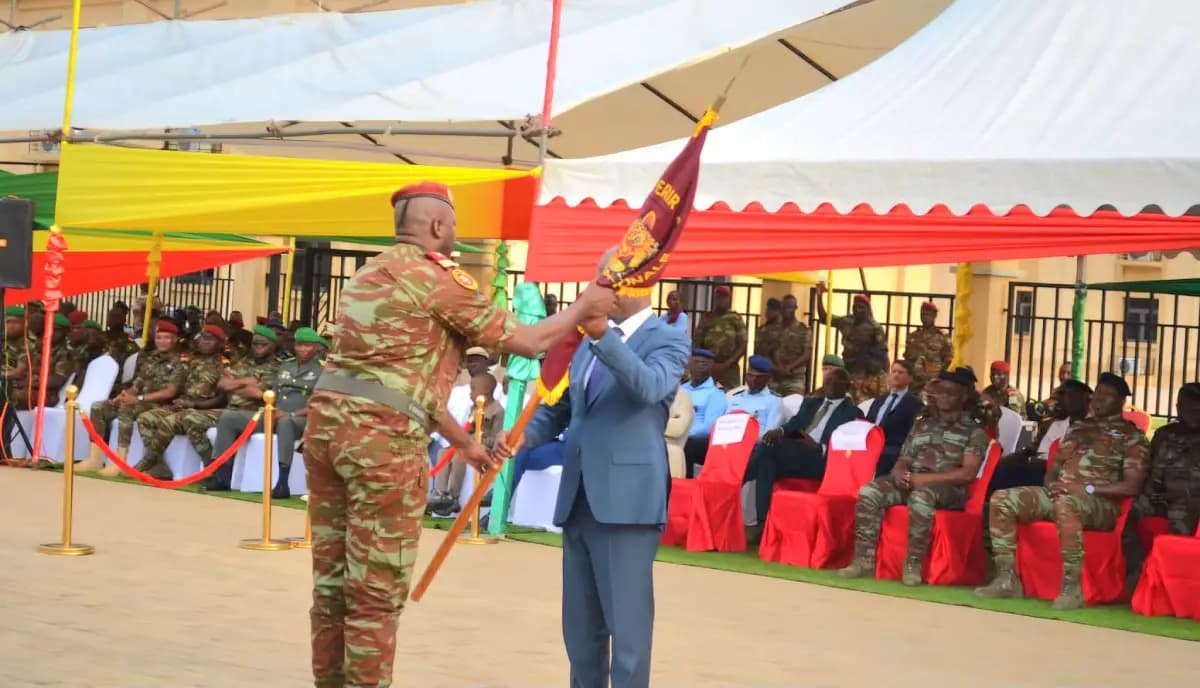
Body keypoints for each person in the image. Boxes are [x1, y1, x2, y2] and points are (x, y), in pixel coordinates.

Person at [301, 181, 614, 688]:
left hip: (327, 431)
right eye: (454, 229)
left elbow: (398, 382)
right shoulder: (437, 278)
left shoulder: (367, 273)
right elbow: (528, 340)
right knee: (374, 596)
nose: (455, 239)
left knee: (332, 585)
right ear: (438, 226)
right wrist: (583, 306)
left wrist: (465, 443)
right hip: (381, 445)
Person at [498, 249, 690, 688]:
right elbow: (563, 408)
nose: (597, 288)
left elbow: (649, 388)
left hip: (626, 502)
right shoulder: (587, 342)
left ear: (632, 287)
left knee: (628, 633)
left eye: (606, 280)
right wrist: (519, 436)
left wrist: (605, 337)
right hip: (579, 498)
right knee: (581, 633)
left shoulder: (668, 337)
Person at [976, 373, 1149, 610]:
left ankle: (1071, 587)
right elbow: (1053, 468)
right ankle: (1006, 578)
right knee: (1002, 499)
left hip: (1100, 504)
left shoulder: (1132, 437)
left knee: (1067, 505)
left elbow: (1132, 486)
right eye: (1097, 393)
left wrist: (1087, 488)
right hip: (1061, 496)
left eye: (1107, 395)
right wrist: (1052, 485)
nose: (1098, 399)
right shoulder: (1078, 429)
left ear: (1121, 402)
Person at [839, 367, 989, 585]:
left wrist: (924, 481)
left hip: (948, 490)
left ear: (963, 397)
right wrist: (899, 472)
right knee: (870, 491)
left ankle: (912, 565)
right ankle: (863, 560)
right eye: (941, 392)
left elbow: (967, 473)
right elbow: (904, 458)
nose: (944, 397)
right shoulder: (922, 423)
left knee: (922, 497)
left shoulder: (973, 432)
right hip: (911, 481)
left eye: (951, 393)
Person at [203, 327, 325, 495]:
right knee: (229, 417)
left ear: (317, 347)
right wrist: (272, 409)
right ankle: (223, 475)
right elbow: (274, 394)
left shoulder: (322, 371)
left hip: (300, 419)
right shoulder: (286, 367)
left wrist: (291, 414)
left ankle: (282, 482)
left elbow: (319, 404)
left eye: (308, 346)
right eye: (300, 345)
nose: (303, 349)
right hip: (275, 415)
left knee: (286, 423)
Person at [744, 367, 861, 529]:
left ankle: (742, 477)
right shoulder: (812, 403)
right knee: (767, 458)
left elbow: (848, 445)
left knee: (768, 451)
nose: (830, 386)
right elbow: (795, 423)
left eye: (836, 383)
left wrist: (820, 447)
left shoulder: (853, 413)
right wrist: (780, 430)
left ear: (847, 387)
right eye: (827, 382)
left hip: (821, 459)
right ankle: (763, 524)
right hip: (797, 450)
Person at [1124, 382, 1200, 590]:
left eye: (1199, 408)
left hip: (1190, 501)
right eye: (1190, 408)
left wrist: (1183, 494)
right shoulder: (1164, 434)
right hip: (1157, 497)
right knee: (1123, 515)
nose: (1196, 412)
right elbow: (1148, 466)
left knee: (1179, 522)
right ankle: (1139, 569)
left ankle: (1172, 583)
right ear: (1178, 408)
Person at [89, 320, 187, 476]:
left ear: (175, 340)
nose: (161, 341)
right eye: (159, 337)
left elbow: (170, 392)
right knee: (98, 407)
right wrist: (125, 395)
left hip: (162, 406)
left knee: (127, 408)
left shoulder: (180, 363)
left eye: (166, 338)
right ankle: (94, 458)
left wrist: (137, 399)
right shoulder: (151, 359)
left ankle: (120, 461)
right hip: (141, 401)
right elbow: (137, 385)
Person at [135, 325, 229, 480]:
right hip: (184, 406)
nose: (205, 342)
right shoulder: (190, 361)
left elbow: (222, 399)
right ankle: (159, 467)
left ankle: (147, 461)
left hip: (206, 410)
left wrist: (195, 405)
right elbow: (177, 387)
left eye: (210, 339)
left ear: (220, 344)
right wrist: (180, 401)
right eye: (203, 338)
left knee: (168, 422)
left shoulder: (224, 365)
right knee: (145, 418)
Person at [987, 379, 1091, 496]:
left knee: (1025, 472)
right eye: (1063, 396)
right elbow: (1041, 450)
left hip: (1063, 473)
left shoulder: (1092, 426)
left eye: (1069, 396)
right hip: (1044, 465)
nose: (1063, 401)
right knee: (1006, 465)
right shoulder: (1057, 423)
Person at [430, 372, 505, 518]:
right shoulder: (474, 408)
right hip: (469, 443)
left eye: (473, 389)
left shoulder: (498, 410)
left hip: (484, 447)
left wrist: (478, 438)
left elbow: (496, 436)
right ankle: (440, 493)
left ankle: (453, 495)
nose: (470, 393)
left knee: (460, 457)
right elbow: (467, 429)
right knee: (443, 453)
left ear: (485, 390)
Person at [814, 283, 889, 403]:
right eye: (855, 306)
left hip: (864, 371)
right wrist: (819, 296)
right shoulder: (846, 321)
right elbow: (824, 318)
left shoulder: (875, 327)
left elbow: (882, 353)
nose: (857, 309)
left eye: (861, 307)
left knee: (861, 402)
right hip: (847, 367)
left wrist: (884, 375)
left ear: (867, 309)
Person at [863, 360, 924, 477]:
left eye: (901, 372)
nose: (896, 375)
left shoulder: (915, 404)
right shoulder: (878, 400)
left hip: (893, 455)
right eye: (894, 371)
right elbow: (868, 422)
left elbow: (912, 433)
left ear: (909, 378)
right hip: (870, 451)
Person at [681, 348, 728, 478]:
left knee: (687, 447)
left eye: (704, 364)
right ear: (689, 364)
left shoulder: (716, 394)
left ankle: (684, 487)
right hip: (676, 436)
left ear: (711, 367)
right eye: (696, 363)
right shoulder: (680, 389)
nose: (699, 367)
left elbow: (708, 428)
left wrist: (682, 434)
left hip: (698, 441)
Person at [693, 285, 747, 390]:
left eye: (724, 298)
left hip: (729, 369)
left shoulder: (735, 318)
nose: (721, 301)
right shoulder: (707, 318)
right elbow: (697, 343)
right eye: (718, 298)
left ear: (729, 300)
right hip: (708, 368)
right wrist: (706, 363)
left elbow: (742, 346)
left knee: (729, 398)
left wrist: (726, 365)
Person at [728, 355, 782, 439]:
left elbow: (769, 433)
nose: (753, 380)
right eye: (750, 375)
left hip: (755, 446)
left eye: (759, 377)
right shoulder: (735, 397)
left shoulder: (774, 401)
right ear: (746, 376)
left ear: (768, 379)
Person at [903, 300, 952, 394]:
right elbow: (907, 360)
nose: (924, 318)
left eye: (928, 315)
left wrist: (940, 378)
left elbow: (948, 361)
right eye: (922, 314)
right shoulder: (913, 337)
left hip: (933, 383)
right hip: (914, 384)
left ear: (934, 316)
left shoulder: (942, 338)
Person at [768, 294, 812, 396]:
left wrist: (789, 367)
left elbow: (806, 354)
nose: (785, 310)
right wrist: (777, 367)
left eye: (789, 307)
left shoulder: (803, 330)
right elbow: (768, 352)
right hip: (775, 378)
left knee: (793, 407)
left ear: (795, 308)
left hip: (794, 379)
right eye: (783, 307)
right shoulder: (773, 329)